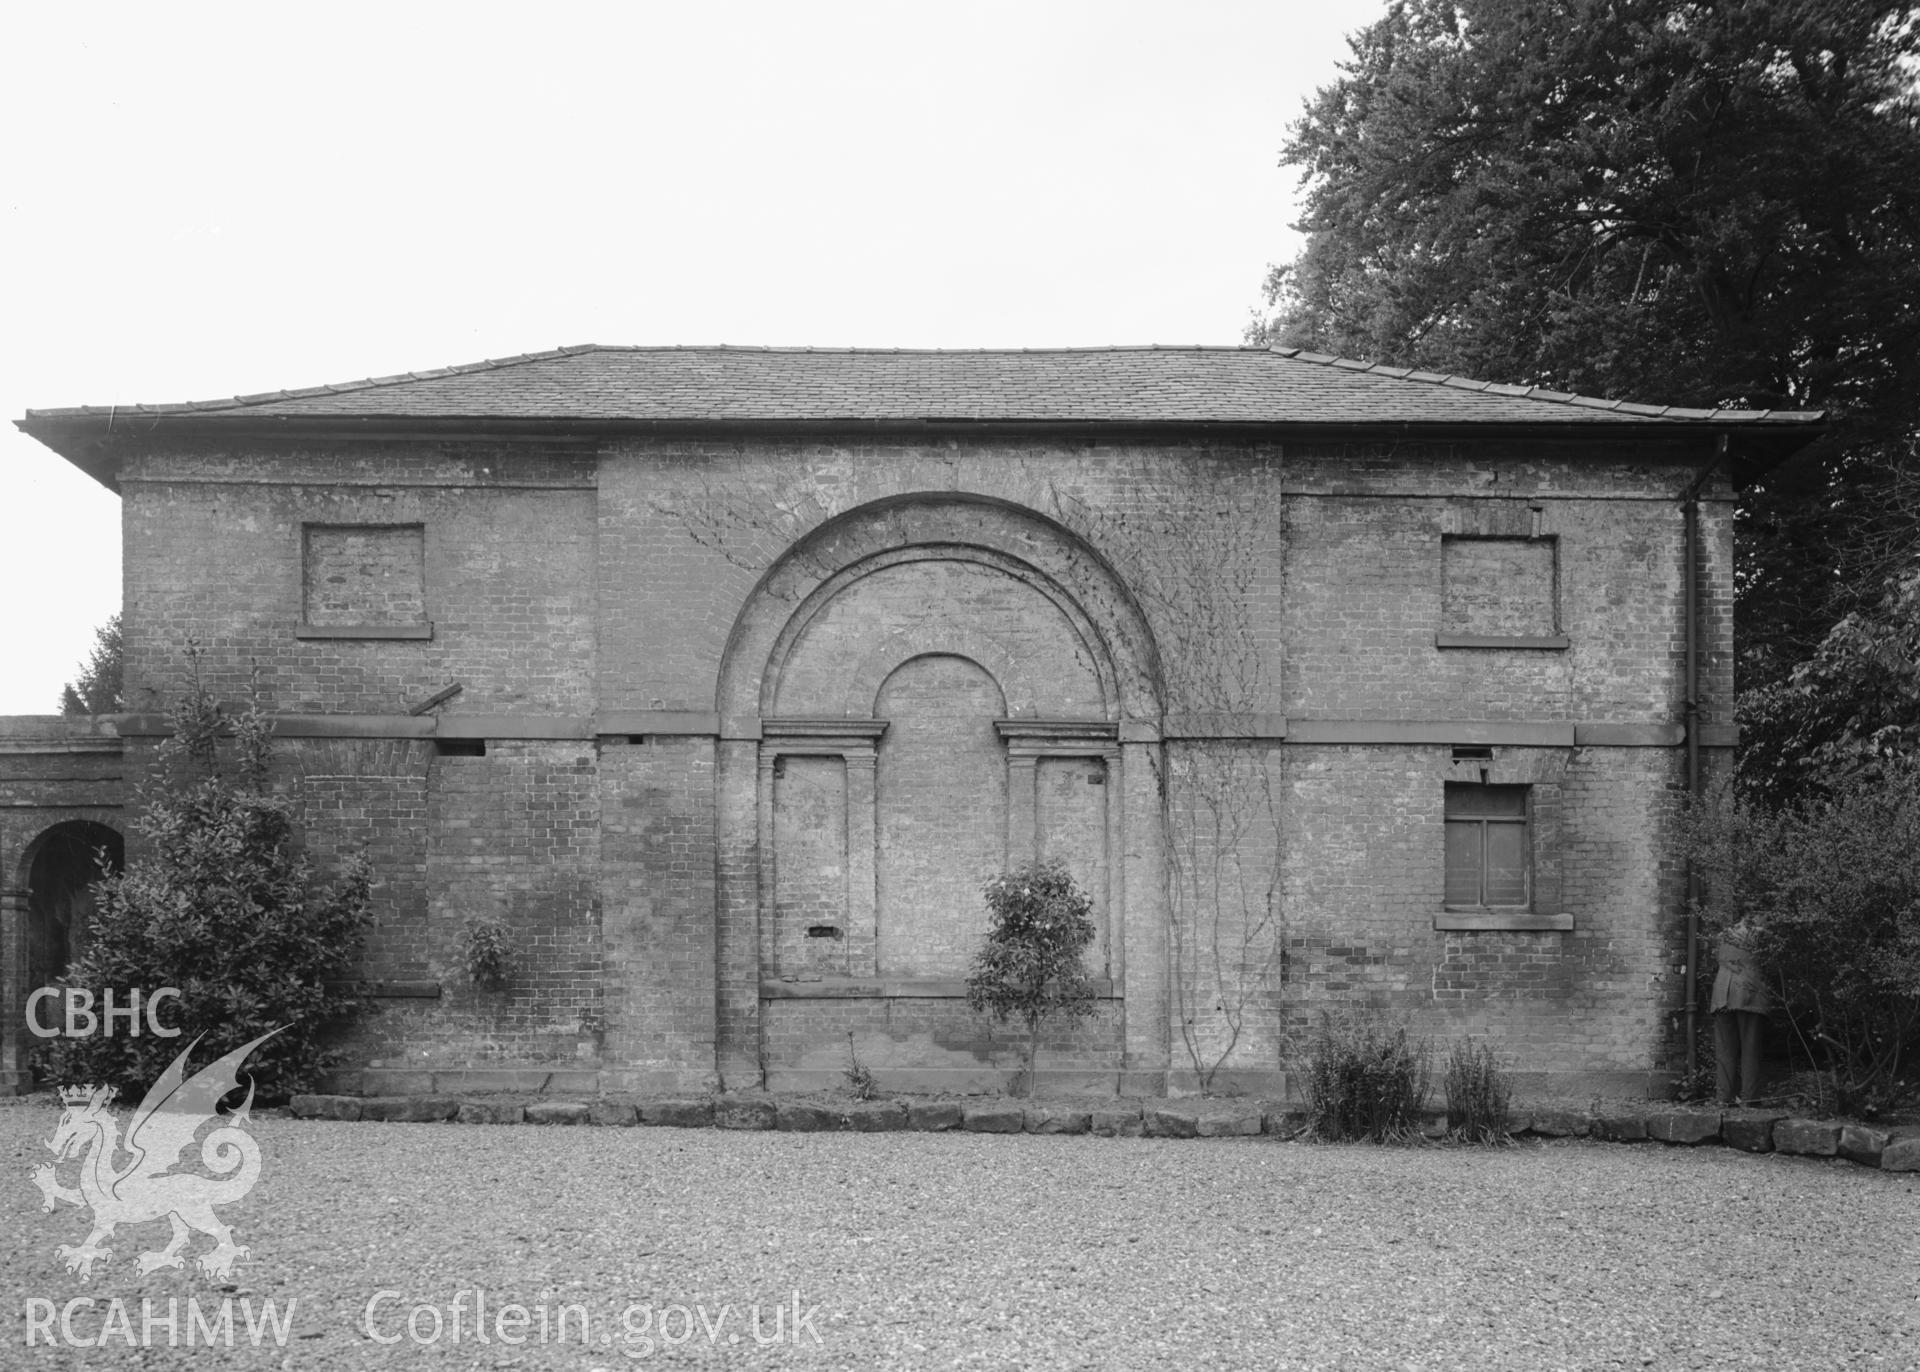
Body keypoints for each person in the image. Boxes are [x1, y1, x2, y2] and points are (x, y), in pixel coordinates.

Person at [1710, 922, 1772, 1106]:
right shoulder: (1760, 935)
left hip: (1721, 993)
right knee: (1750, 1049)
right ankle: (1749, 1099)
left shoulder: (1722, 935)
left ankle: (1723, 1098)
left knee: (1725, 1051)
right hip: (1748, 994)